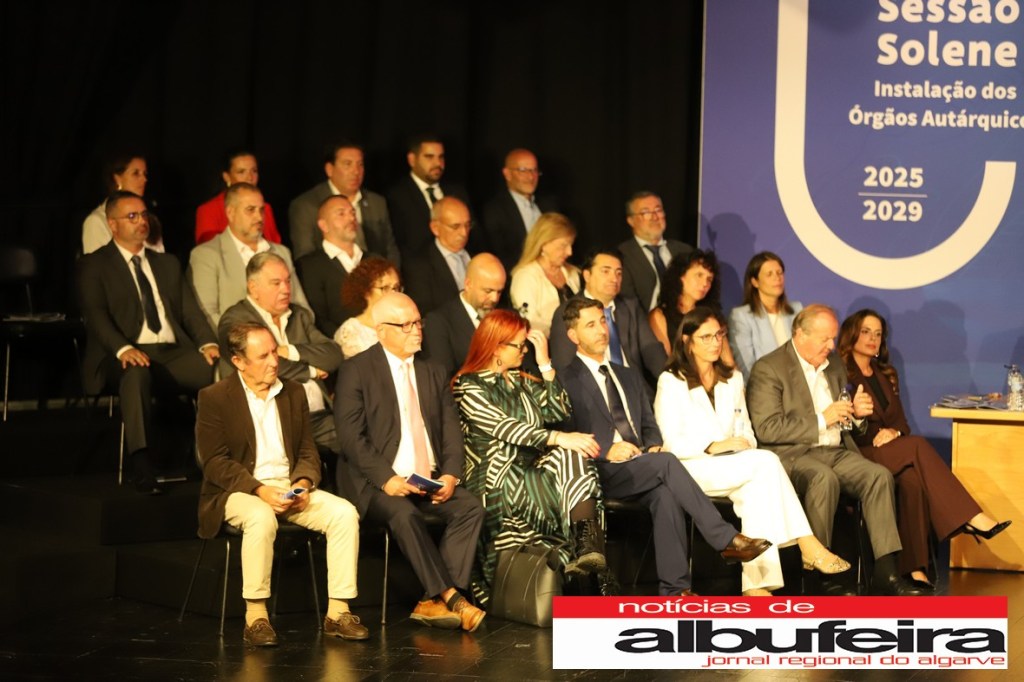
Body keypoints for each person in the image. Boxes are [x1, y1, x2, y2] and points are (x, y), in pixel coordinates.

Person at [559, 299, 773, 596]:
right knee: (669, 463)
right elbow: (565, 430)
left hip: (640, 465)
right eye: (590, 325)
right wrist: (607, 449)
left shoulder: (627, 374)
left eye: (603, 321)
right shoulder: (564, 378)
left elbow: (648, 424)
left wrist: (653, 445)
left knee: (666, 494)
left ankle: (676, 591)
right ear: (573, 335)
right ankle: (726, 540)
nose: (601, 330)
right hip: (598, 470)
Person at [653, 306, 850, 595]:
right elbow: (669, 441)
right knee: (767, 462)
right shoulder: (671, 381)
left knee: (758, 490)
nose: (715, 343)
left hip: (735, 465)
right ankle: (806, 541)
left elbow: (746, 429)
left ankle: (757, 587)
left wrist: (742, 442)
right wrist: (713, 446)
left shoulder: (732, 379)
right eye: (706, 337)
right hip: (690, 467)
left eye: (719, 335)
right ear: (687, 341)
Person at [196, 323, 366, 646]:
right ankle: (256, 618)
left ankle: (338, 613)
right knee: (261, 517)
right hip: (239, 490)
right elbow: (215, 462)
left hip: (287, 486)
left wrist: (302, 483)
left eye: (275, 352)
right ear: (238, 361)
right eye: (263, 356)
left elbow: (307, 450)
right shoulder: (215, 397)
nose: (275, 361)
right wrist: (259, 490)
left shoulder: (293, 391)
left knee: (344, 513)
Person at [747, 304, 927, 596]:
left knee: (878, 476)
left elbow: (846, 423)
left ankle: (886, 572)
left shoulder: (834, 365)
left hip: (835, 450)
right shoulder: (770, 368)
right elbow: (767, 428)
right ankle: (818, 575)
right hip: (792, 455)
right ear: (800, 334)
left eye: (832, 338)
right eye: (825, 339)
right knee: (823, 479)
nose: (831, 346)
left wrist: (856, 415)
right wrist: (822, 419)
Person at [335, 293, 486, 632]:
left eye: (418, 322)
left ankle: (431, 602)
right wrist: (386, 478)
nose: (416, 330)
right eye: (405, 325)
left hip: (426, 478)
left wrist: (451, 475)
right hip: (377, 482)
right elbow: (351, 438)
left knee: (470, 508)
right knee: (404, 514)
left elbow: (451, 430)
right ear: (381, 330)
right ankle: (452, 597)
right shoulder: (357, 370)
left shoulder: (432, 369)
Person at [839, 309, 1010, 588]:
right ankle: (970, 517)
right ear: (852, 334)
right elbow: (842, 427)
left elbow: (902, 424)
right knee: (918, 445)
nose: (872, 338)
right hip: (858, 453)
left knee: (912, 481)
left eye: (878, 334)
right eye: (866, 331)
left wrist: (894, 432)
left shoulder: (885, 374)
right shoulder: (840, 373)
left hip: (889, 452)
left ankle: (915, 569)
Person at [452, 309, 612, 602]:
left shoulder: (522, 381)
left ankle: (587, 548)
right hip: (496, 475)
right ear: (496, 347)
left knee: (573, 456)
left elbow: (559, 412)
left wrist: (545, 364)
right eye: (519, 345)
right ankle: (590, 581)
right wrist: (558, 438)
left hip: (533, 467)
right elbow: (504, 427)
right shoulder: (468, 386)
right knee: (564, 455)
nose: (524, 350)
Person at [77, 191, 218, 494]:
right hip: (119, 354)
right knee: (136, 373)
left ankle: (216, 456)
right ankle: (141, 464)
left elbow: (189, 311)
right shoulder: (95, 264)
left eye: (144, 215)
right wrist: (124, 348)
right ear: (112, 224)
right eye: (132, 216)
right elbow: (96, 315)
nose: (141, 221)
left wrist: (207, 343)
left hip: (171, 352)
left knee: (222, 370)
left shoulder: (166, 263)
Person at [218, 253, 343, 455]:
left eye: (288, 281)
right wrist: (311, 371)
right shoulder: (235, 320)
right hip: (270, 422)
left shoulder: (298, 315)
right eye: (276, 283)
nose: (286, 289)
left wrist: (291, 351)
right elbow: (261, 367)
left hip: (318, 416)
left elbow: (333, 355)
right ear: (253, 288)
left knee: (361, 436)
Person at [188, 182, 309, 330]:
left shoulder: (281, 252)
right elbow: (207, 315)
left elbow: (301, 305)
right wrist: (250, 340)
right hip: (239, 339)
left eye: (261, 210)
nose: (259, 217)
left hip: (289, 336)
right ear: (230, 213)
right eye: (250, 210)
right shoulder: (207, 255)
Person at [548, 249, 666, 392]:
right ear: (587, 275)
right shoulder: (567, 312)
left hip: (636, 389)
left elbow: (651, 349)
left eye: (618, 273)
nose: (614, 279)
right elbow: (564, 365)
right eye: (605, 271)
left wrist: (671, 380)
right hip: (594, 393)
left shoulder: (630, 305)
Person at [288, 141, 400, 263]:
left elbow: (390, 249)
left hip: (376, 271)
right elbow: (305, 257)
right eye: (348, 164)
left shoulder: (376, 202)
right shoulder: (306, 206)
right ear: (330, 169)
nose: (356, 171)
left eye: (360, 164)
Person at [385, 135, 471, 260]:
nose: (438, 163)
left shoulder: (458, 192)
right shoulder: (397, 197)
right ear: (412, 159)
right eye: (429, 157)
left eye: (441, 157)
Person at [421, 253, 507, 378]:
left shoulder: (506, 315)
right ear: (468, 284)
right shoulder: (439, 322)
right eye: (488, 291)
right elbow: (443, 376)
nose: (495, 298)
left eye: (499, 291)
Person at [295, 195, 364, 338]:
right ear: (323, 225)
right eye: (341, 214)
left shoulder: (374, 260)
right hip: (339, 344)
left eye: (352, 212)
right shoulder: (309, 266)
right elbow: (317, 318)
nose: (351, 218)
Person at [649, 249, 732, 368]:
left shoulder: (713, 316)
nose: (705, 283)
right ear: (681, 276)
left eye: (709, 279)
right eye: (699, 275)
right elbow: (665, 364)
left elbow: (728, 362)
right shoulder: (659, 316)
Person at [480, 149, 556, 271]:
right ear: (507, 174)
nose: (531, 177)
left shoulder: (549, 205)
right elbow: (500, 257)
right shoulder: (494, 210)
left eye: (534, 170)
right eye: (523, 170)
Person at [729, 252, 803, 378]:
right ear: (755, 282)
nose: (777, 278)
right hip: (764, 384)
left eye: (779, 273)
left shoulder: (797, 309)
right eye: (769, 274)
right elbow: (746, 366)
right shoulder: (741, 316)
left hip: (798, 382)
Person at [617, 191, 692, 312]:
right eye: (646, 212)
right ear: (631, 220)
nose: (654, 217)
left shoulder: (684, 251)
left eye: (658, 210)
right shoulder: (622, 255)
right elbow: (627, 305)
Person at [509, 212, 581, 337]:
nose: (570, 252)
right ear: (544, 244)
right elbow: (529, 321)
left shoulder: (572, 273)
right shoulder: (526, 277)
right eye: (563, 245)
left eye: (571, 245)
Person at [402, 197, 474, 315]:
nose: (464, 233)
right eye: (455, 226)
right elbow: (425, 313)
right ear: (435, 228)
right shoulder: (418, 266)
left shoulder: (477, 253)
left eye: (467, 225)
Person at [194, 149, 282, 245]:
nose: (250, 177)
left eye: (254, 171)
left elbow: (275, 247)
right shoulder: (209, 210)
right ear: (227, 177)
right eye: (241, 172)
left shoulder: (265, 208)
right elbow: (209, 249)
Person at [82, 154, 165, 254]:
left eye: (144, 174)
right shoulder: (97, 221)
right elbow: (96, 262)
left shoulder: (148, 218)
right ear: (117, 179)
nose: (144, 179)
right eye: (136, 173)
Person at [334, 257, 401, 359]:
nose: (394, 293)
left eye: (396, 287)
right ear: (366, 291)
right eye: (385, 288)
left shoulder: (406, 323)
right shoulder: (350, 331)